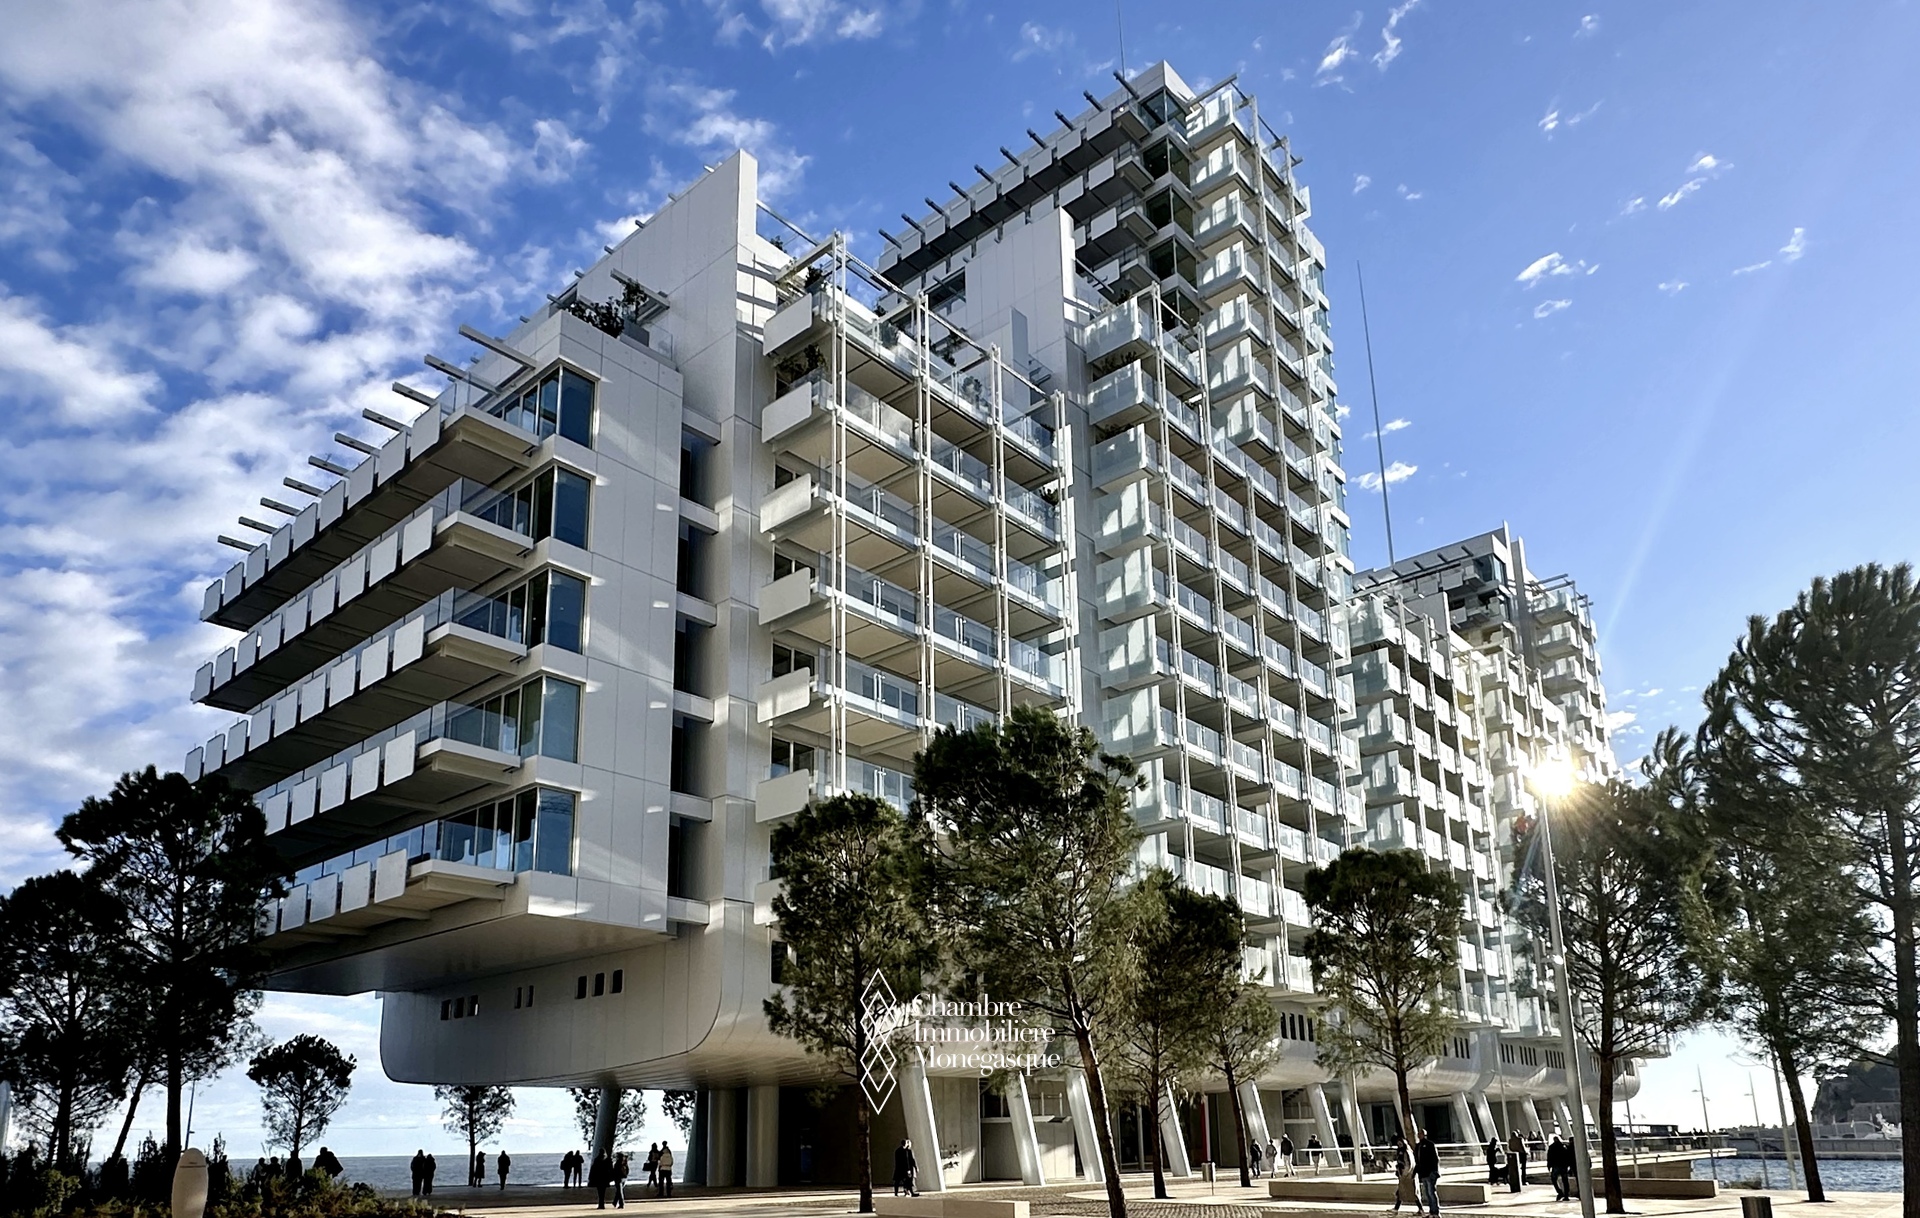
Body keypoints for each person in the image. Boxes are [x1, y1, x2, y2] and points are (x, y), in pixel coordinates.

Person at [1413, 1129, 1441, 1218]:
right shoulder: (1418, 1146)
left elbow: (1435, 1159)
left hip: (1430, 1172)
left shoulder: (1429, 1145)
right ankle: (1432, 1211)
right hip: (1423, 1173)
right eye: (1419, 1134)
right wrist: (1416, 1172)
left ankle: (1435, 1212)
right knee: (1428, 1194)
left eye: (1421, 1134)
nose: (1419, 1135)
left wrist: (1434, 1171)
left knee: (1431, 1192)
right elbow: (1417, 1161)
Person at [1547, 1135, 1574, 1201]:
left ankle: (1560, 1192)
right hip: (1563, 1166)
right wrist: (1568, 1165)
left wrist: (1549, 1166)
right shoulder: (1564, 1146)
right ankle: (1566, 1195)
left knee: (1554, 1179)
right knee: (1565, 1180)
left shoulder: (1551, 1147)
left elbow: (1549, 1157)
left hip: (1556, 1166)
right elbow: (1568, 1156)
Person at [1391, 1136, 1413, 1212]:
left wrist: (1405, 1173)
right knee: (1401, 1191)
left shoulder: (1406, 1152)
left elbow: (1408, 1164)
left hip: (1405, 1174)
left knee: (1409, 1191)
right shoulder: (1400, 1152)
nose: (1399, 1146)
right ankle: (1396, 1207)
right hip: (1401, 1173)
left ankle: (1420, 1208)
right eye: (1398, 1144)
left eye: (1401, 1144)